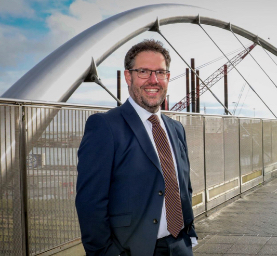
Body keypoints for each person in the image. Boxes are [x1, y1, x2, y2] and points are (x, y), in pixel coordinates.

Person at [76, 39, 197, 256]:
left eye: (160, 72)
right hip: (132, 250)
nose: (154, 80)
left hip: (180, 246)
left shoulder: (176, 128)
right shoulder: (105, 126)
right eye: (143, 71)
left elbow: (183, 186)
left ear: (168, 78)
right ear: (128, 76)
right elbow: (90, 203)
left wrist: (190, 232)